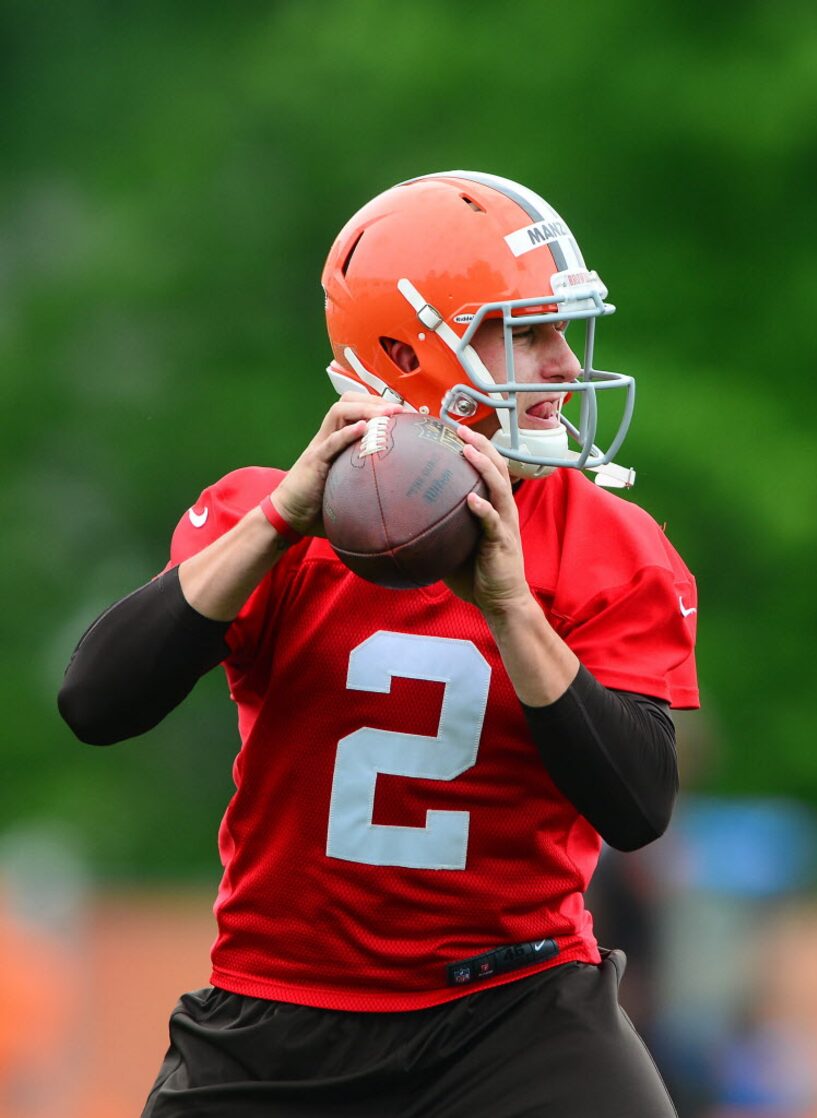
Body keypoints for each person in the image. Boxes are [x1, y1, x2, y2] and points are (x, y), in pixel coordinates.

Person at [59, 170, 699, 1117]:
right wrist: (280, 521)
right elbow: (95, 705)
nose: (565, 365)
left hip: (514, 1007)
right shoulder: (265, 524)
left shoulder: (612, 544)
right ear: (410, 352)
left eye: (561, 331)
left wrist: (512, 607)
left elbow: (639, 805)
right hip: (281, 1006)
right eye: (528, 332)